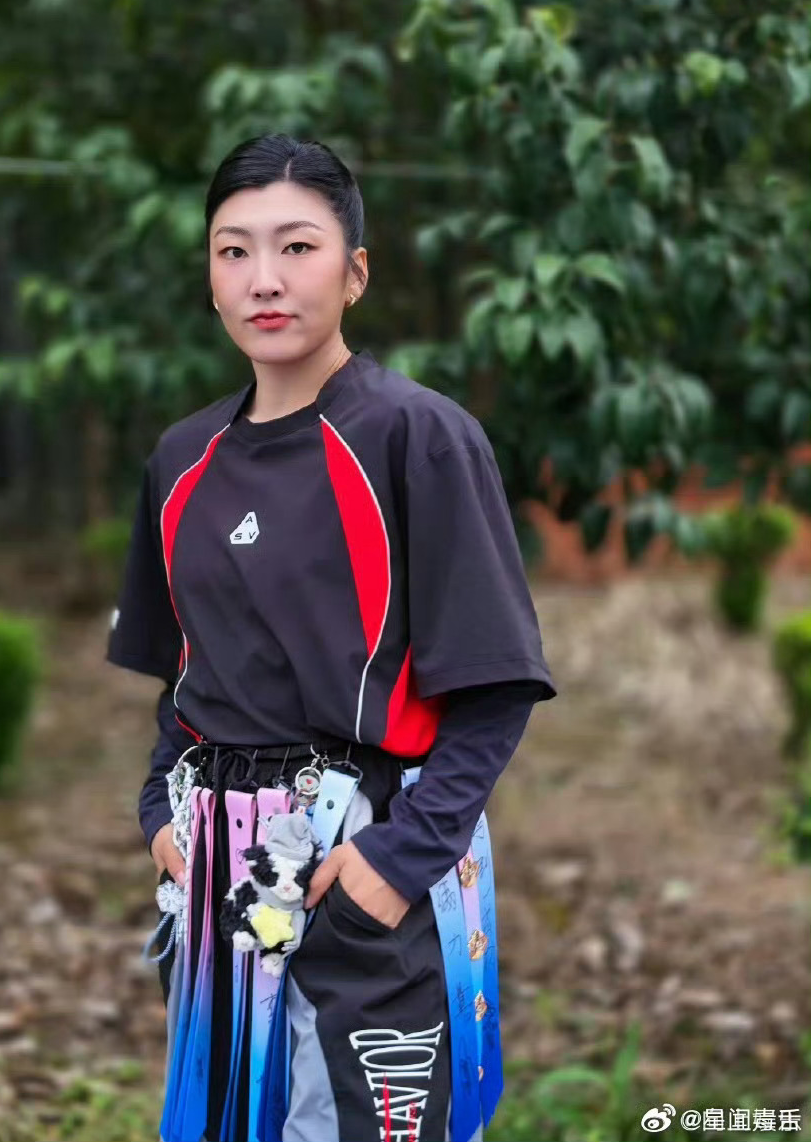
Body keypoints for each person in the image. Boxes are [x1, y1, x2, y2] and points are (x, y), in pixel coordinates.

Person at [106, 133, 556, 1142]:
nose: (263, 278)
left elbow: (495, 690)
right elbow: (188, 676)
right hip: (217, 871)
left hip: (366, 851)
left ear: (354, 272)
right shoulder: (182, 459)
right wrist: (160, 814)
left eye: (297, 246)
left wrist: (392, 866)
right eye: (233, 251)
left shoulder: (418, 436)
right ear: (209, 279)